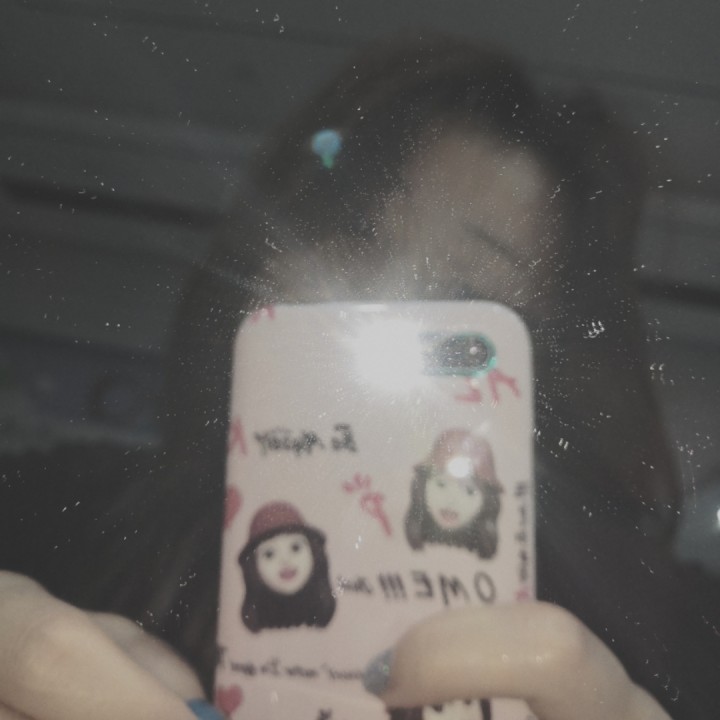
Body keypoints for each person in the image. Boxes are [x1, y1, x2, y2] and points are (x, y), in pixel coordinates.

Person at [1, 33, 718, 720]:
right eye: (354, 235)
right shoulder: (52, 508)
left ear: (539, 383)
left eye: (461, 293)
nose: (380, 307)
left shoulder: (664, 637)